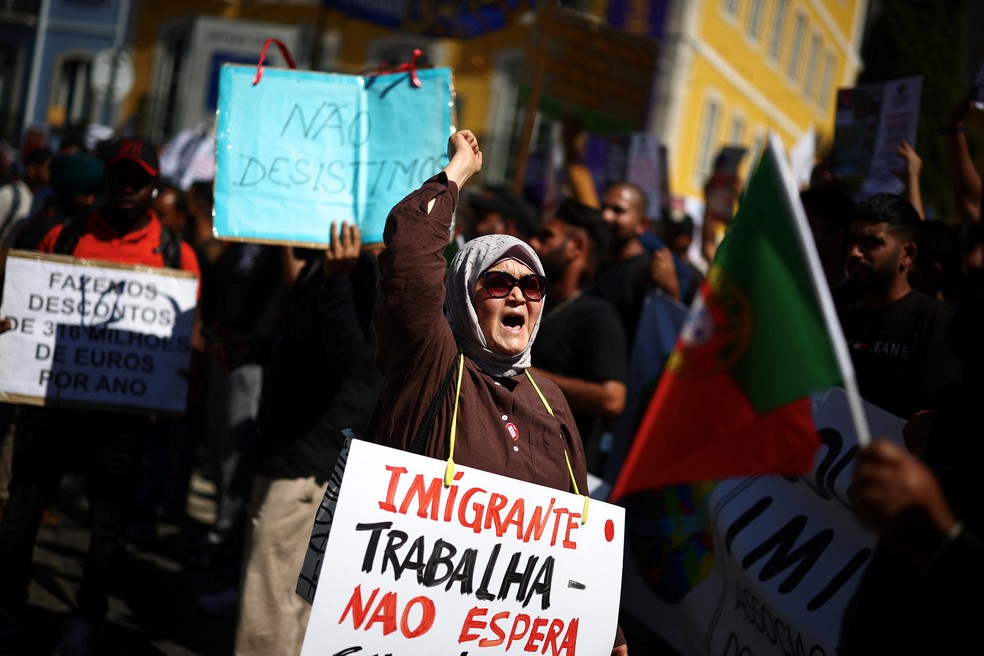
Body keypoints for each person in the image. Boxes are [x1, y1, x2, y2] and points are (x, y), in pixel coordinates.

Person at [372, 130, 627, 655]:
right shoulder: (433, 365)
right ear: (465, 294)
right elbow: (410, 268)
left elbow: (575, 529)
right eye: (496, 283)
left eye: (531, 285)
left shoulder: (550, 399)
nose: (517, 294)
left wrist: (610, 630)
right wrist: (456, 175)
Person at [0, 137, 202, 655]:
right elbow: (22, 301)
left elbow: (187, 332)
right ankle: (8, 606)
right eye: (120, 177)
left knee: (108, 524)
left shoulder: (176, 255)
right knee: (23, 509)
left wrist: (189, 354)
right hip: (51, 405)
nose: (129, 188)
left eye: (139, 179)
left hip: (122, 417)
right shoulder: (61, 235)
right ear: (105, 180)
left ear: (154, 186)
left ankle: (88, 616)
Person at [234, 224, 382, 656]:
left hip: (310, 463)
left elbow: (349, 358)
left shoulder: (357, 271)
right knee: (287, 597)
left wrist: (337, 281)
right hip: (294, 452)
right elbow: (309, 350)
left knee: (273, 596)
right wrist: (252, 350)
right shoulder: (325, 265)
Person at [837, 193, 962, 420]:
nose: (855, 252)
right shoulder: (836, 315)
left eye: (871, 243)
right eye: (852, 240)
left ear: (907, 254)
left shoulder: (938, 324)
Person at [528, 198, 627, 475]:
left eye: (546, 236)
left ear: (577, 247)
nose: (533, 243)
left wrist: (528, 377)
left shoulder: (597, 316)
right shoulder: (530, 303)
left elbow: (612, 399)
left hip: (560, 476)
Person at [593, 181, 682, 349]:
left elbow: (664, 335)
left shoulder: (647, 273)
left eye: (618, 210)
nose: (606, 216)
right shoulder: (596, 263)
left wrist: (671, 292)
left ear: (642, 224)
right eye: (603, 208)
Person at [0, 147, 52, 245]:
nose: (50, 173)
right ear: (31, 169)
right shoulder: (9, 194)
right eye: (48, 168)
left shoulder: (41, 200)